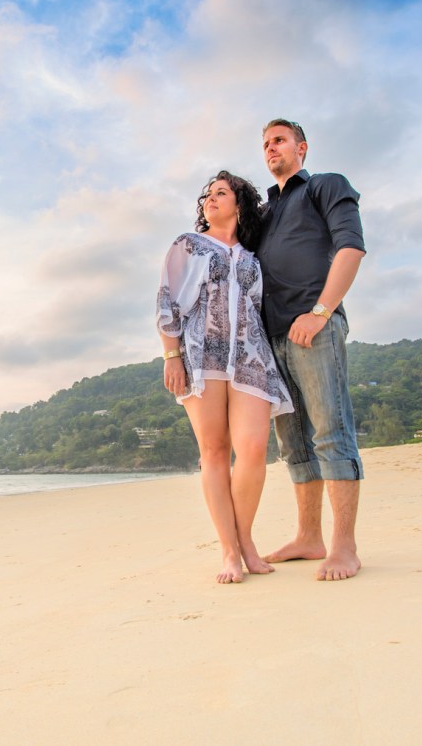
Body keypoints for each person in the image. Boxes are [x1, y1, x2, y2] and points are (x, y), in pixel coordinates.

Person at [157, 170, 293, 584]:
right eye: (208, 196)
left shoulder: (252, 255)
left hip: (251, 357)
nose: (210, 200)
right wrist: (171, 355)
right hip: (201, 355)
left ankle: (246, 539)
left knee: (253, 449)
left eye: (221, 193)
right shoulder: (188, 245)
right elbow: (168, 301)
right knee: (214, 451)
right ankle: (230, 550)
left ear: (240, 204)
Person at [257, 119, 366, 581]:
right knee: (293, 442)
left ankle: (344, 547)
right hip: (271, 338)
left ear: (301, 147)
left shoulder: (325, 186)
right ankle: (308, 536)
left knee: (330, 432)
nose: (271, 148)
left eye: (279, 140)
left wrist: (321, 312)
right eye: (265, 144)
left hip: (313, 327)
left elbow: (351, 248)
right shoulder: (261, 213)